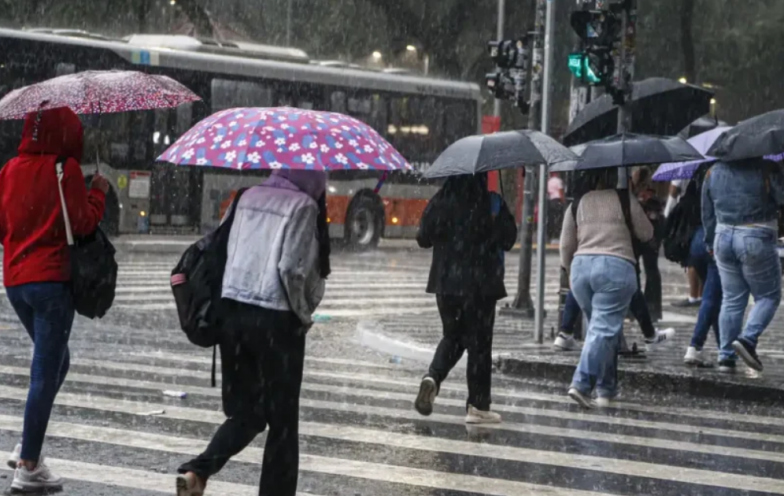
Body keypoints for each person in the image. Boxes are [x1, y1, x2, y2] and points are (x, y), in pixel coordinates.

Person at [176, 169, 329, 496]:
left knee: (248, 413)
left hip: (232, 316)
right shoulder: (303, 206)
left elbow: (223, 251)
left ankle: (197, 472)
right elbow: (291, 270)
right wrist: (303, 314)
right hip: (276, 321)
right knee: (283, 425)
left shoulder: (246, 196)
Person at [0, 107, 108, 492]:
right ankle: (28, 465)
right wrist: (98, 193)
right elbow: (82, 223)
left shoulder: (9, 169)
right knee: (46, 372)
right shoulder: (65, 168)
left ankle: (27, 445)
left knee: (57, 363)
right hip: (52, 283)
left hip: (16, 283)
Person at [414, 174, 517, 424]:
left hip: (446, 284)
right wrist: (500, 216)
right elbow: (508, 240)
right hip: (481, 285)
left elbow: (423, 238)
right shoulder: (491, 202)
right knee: (479, 346)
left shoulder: (441, 200)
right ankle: (478, 406)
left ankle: (433, 377)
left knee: (453, 336)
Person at [560, 168, 653, 409]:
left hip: (581, 270)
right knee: (603, 330)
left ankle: (606, 388)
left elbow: (566, 245)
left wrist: (570, 272)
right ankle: (581, 384)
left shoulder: (577, 203)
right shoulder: (624, 199)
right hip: (615, 268)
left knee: (602, 329)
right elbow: (646, 233)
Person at [703, 158, 784, 373]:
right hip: (756, 234)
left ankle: (726, 357)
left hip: (722, 235)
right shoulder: (767, 168)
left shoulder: (712, 171)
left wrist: (710, 241)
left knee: (732, 299)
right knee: (768, 296)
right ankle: (748, 339)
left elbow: (707, 210)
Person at [683, 165, 723, 368]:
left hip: (696, 241)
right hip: (713, 238)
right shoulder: (721, 174)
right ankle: (695, 346)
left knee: (714, 296)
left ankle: (724, 348)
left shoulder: (699, 174)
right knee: (711, 298)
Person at [631, 167, 664, 321]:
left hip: (649, 232)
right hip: (640, 233)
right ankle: (639, 305)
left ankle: (650, 307)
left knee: (649, 269)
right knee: (637, 268)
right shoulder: (632, 190)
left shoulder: (650, 193)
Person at [667, 178, 704, 307]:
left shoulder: (683, 170)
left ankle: (693, 296)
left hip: (687, 216)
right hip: (703, 213)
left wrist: (667, 214)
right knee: (702, 257)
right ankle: (701, 294)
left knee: (690, 259)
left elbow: (673, 191)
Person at [547, 172, 566, 242]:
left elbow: (548, 192)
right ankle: (557, 234)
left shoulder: (549, 181)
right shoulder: (558, 181)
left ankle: (550, 234)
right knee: (559, 218)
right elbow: (561, 192)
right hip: (558, 200)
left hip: (551, 201)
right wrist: (563, 201)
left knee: (551, 218)